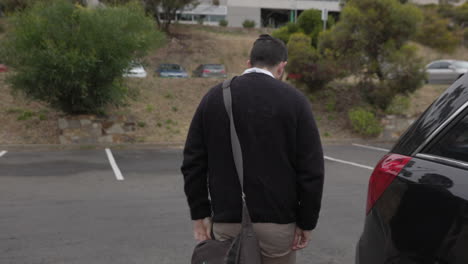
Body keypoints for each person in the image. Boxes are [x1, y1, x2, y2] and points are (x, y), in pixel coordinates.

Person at [181, 34, 324, 264]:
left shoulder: (214, 98)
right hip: (278, 225)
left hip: (228, 221)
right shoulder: (296, 102)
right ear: (281, 67)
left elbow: (192, 163)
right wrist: (307, 222)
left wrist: (200, 213)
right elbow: (312, 170)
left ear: (249, 63)